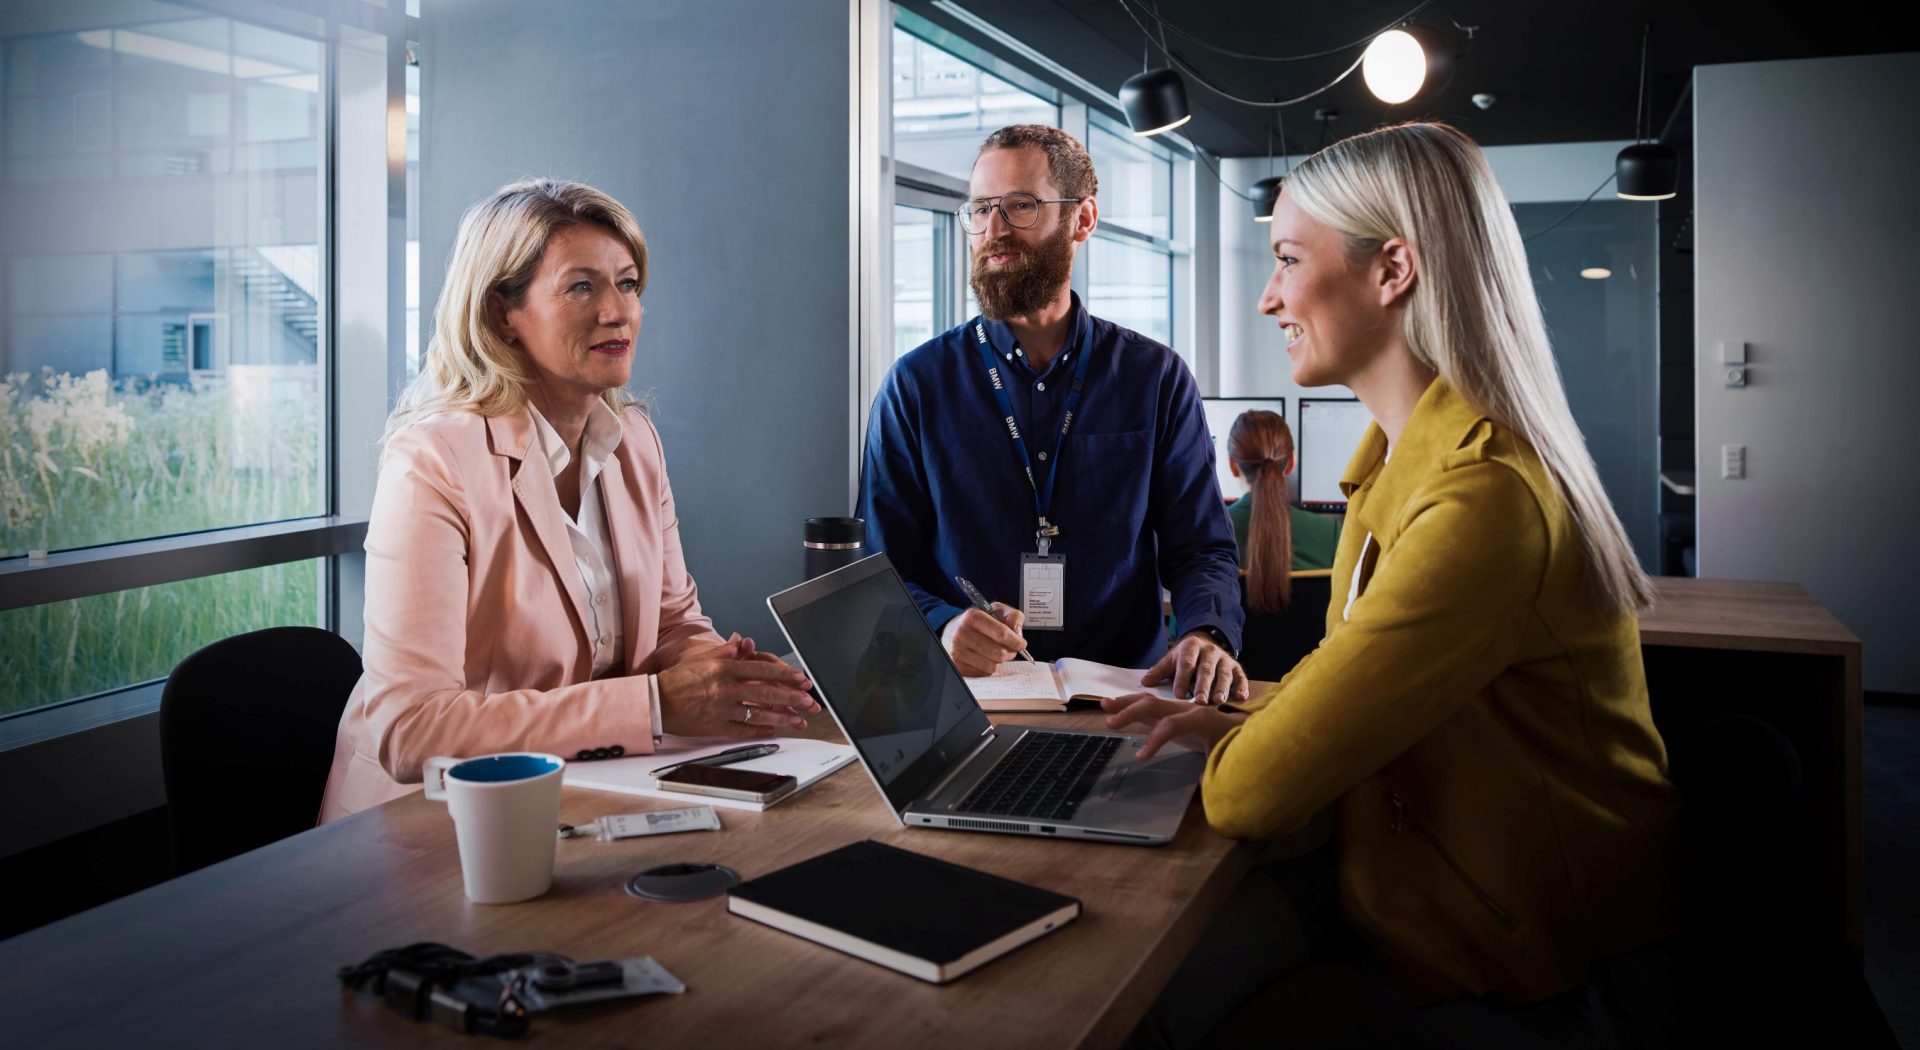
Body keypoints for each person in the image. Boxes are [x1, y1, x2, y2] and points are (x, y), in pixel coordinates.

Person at [1106, 123, 1681, 1046]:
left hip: (1533, 967)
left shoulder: (1482, 499)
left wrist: (1249, 741)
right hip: (1413, 887)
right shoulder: (1393, 470)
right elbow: (1351, 683)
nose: (1268, 297)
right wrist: (1251, 719)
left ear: (1393, 270)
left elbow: (1247, 797)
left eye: (1289, 259)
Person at [319, 179, 817, 822]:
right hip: (428, 826)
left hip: (588, 796)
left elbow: (671, 622)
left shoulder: (635, 441)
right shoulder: (433, 460)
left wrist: (725, 678)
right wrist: (659, 705)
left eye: (629, 283)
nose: (619, 312)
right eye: (582, 286)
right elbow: (411, 728)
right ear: (503, 313)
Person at [860, 125, 1248, 705]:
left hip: (1127, 702)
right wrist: (942, 625)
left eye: (1020, 206)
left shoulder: (1156, 378)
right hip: (970, 706)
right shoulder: (915, 386)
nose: (993, 229)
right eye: (982, 208)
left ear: (1082, 220)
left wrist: (1206, 633)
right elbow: (880, 564)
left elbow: (1202, 548)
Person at [1224, 409, 1340, 613]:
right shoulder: (1331, 533)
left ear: (1233, 466)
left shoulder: (1210, 531)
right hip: (1314, 646)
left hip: (1230, 646)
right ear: (1290, 464)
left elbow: (1184, 625)